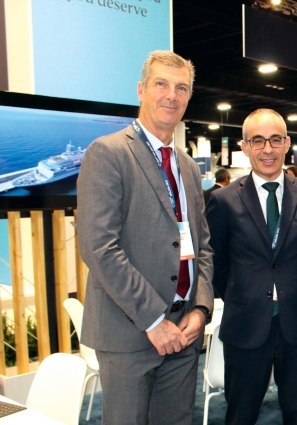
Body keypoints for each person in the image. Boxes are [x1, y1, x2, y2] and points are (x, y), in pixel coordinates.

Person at [77, 51, 214, 424]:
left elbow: (202, 245)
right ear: (141, 90)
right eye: (161, 84)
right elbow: (99, 247)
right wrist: (155, 321)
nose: (172, 95)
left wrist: (200, 309)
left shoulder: (186, 165)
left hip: (184, 333)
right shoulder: (108, 153)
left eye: (181, 88)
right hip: (131, 334)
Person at [206, 109, 297, 424]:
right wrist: (241, 294)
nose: (267, 149)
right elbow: (215, 262)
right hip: (245, 325)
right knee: (240, 414)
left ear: (287, 143)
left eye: (275, 140)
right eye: (257, 141)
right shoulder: (224, 200)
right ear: (244, 147)